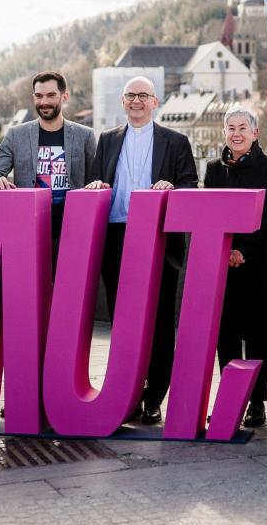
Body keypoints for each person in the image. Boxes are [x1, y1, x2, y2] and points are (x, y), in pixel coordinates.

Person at [82, 75, 198, 425]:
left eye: (143, 95)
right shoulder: (107, 139)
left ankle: (154, 397)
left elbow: (191, 185)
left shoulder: (175, 141)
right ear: (122, 100)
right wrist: (95, 184)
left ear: (155, 101)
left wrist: (172, 187)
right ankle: (128, 394)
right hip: (116, 238)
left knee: (160, 320)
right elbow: (95, 181)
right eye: (130, 95)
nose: (136, 101)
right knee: (123, 321)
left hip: (159, 238)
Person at [200, 106, 267, 428]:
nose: (236, 133)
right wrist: (225, 250)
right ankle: (230, 400)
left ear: (255, 133)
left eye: (243, 128)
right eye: (231, 128)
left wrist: (244, 251)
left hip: (260, 263)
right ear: (224, 133)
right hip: (222, 264)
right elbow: (208, 213)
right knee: (225, 336)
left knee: (257, 337)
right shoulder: (213, 169)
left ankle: (256, 403)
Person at [0, 70, 96, 248]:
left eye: (51, 95)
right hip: (28, 226)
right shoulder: (15, 135)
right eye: (39, 96)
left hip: (74, 227)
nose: (44, 102)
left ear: (64, 96)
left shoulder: (85, 135)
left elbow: (95, 179)